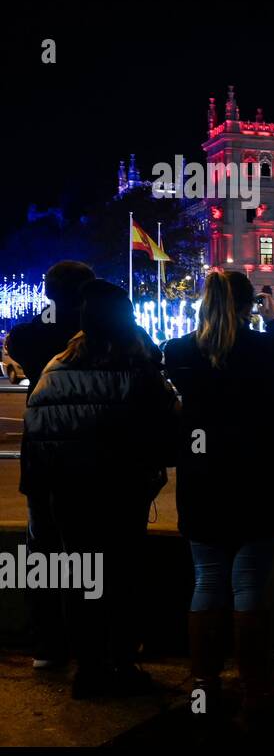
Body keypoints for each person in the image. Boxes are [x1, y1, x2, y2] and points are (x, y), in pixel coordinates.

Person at [163, 271, 274, 722]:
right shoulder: (264, 346)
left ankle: (204, 686)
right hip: (259, 472)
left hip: (204, 474)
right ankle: (255, 689)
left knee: (207, 578)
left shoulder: (178, 351)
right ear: (252, 303)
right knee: (250, 579)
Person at [20, 279, 179, 698]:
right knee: (124, 579)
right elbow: (165, 430)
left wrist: (43, 491)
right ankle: (122, 664)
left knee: (82, 580)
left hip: (68, 496)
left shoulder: (55, 369)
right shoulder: (137, 366)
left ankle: (88, 670)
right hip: (122, 492)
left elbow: (35, 436)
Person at [6, 261, 97, 670]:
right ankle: (92, 643)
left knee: (44, 551)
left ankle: (47, 644)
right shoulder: (103, 336)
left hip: (43, 454)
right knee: (94, 549)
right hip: (96, 453)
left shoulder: (34, 335)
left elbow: (18, 340)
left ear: (48, 293)